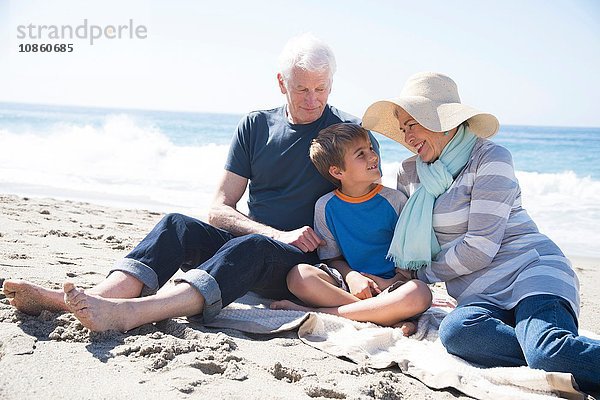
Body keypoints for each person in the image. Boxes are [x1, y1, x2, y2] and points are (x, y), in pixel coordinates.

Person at [2, 33, 380, 333]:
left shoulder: (349, 136)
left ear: (331, 83)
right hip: (255, 244)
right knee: (176, 225)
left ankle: (132, 314)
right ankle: (95, 297)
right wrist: (275, 233)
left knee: (252, 245)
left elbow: (371, 210)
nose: (313, 100)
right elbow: (219, 209)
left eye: (322, 88)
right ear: (282, 83)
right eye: (302, 89)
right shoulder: (256, 125)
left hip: (304, 266)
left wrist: (359, 273)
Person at [361, 72, 599, 392]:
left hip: (529, 270)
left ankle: (548, 349)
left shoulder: (490, 158)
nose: (407, 135)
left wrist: (423, 276)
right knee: (457, 334)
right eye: (402, 128)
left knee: (548, 351)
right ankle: (549, 349)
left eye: (412, 124)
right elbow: (407, 241)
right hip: (478, 293)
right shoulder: (408, 172)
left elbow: (479, 247)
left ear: (442, 121)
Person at [270, 123, 432, 334]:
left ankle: (317, 311)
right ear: (337, 171)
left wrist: (391, 281)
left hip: (391, 285)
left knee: (420, 293)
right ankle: (385, 318)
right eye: (361, 154)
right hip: (348, 286)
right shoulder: (325, 206)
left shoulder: (395, 201)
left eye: (371, 149)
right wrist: (352, 276)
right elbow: (332, 258)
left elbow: (408, 258)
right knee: (298, 276)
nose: (373, 157)